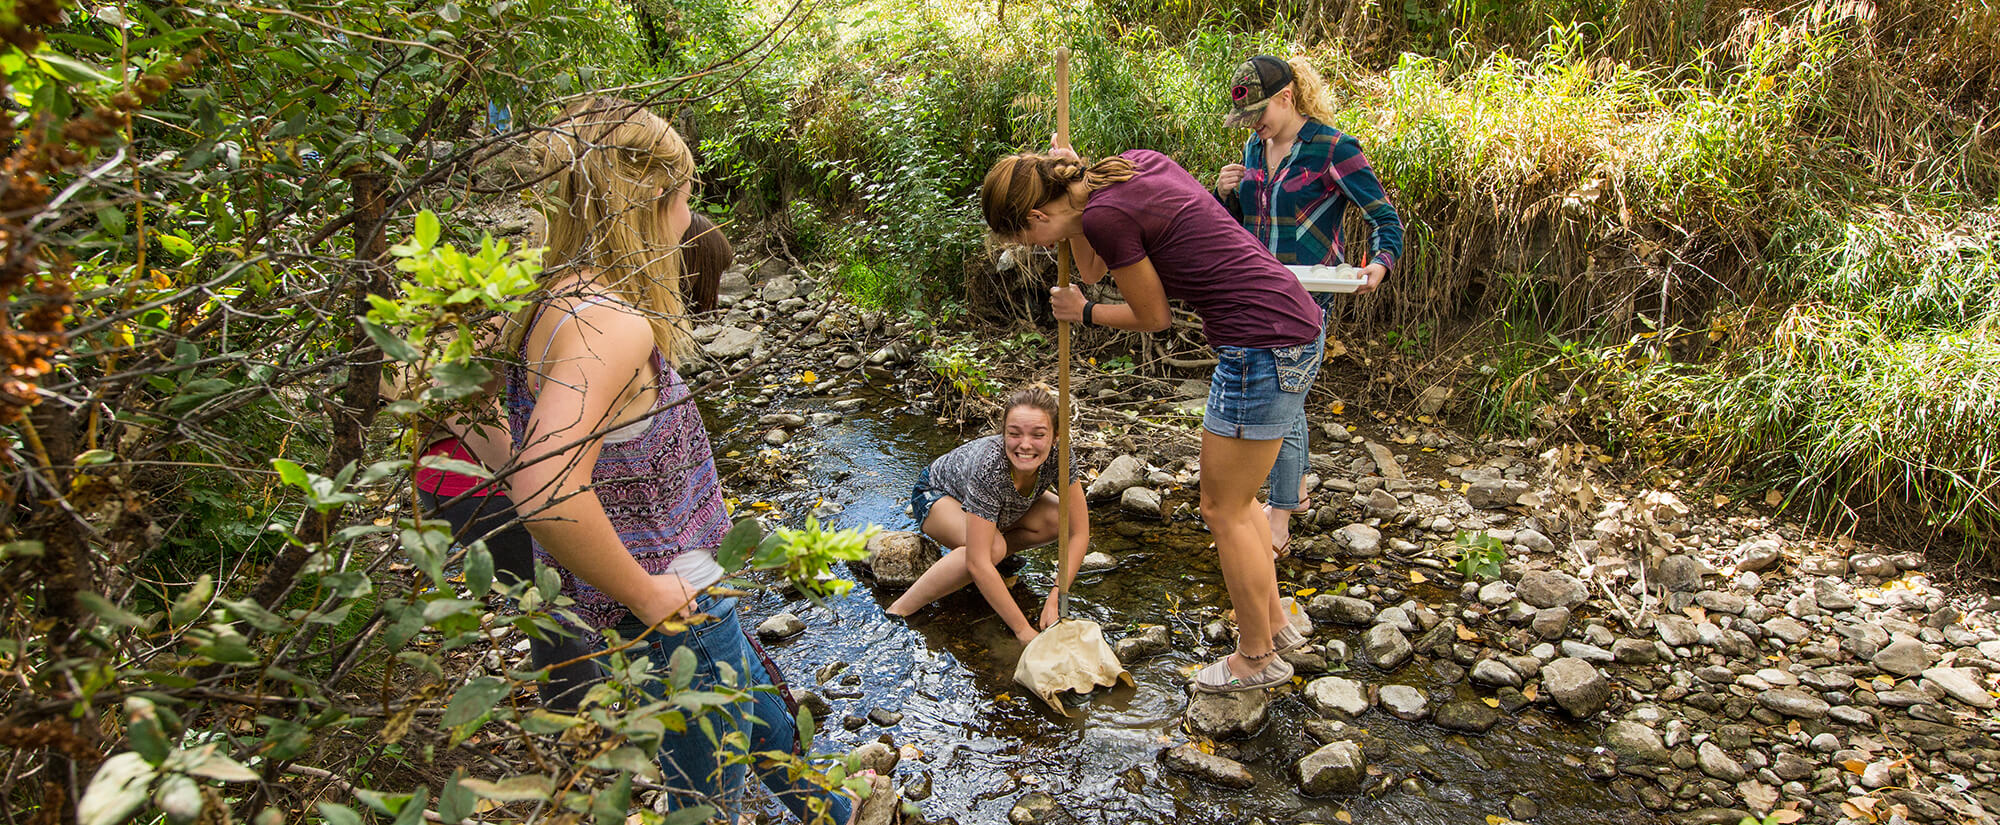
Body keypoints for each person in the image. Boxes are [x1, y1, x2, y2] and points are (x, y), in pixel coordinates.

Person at [500, 97, 864, 822]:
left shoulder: (546, 299)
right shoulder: (612, 323)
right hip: (676, 611)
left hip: (689, 598)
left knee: (772, 734)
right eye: (688, 192)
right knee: (709, 802)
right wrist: (643, 590)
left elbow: (500, 434)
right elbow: (541, 485)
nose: (692, 211)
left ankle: (846, 815)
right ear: (652, 201)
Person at [979, 144, 1322, 693]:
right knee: (1240, 503)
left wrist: (1084, 311)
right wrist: (1070, 209)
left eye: (1028, 239)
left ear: (1038, 216)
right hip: (1286, 328)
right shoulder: (1126, 167)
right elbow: (1091, 258)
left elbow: (1153, 316)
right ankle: (1276, 628)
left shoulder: (1103, 215)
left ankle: (1256, 659)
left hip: (1259, 344)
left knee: (1222, 508)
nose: (1035, 250)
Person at [1213, 55, 1404, 557]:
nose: (1255, 123)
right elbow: (1244, 227)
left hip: (1309, 295)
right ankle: (1290, 492)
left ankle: (1279, 515)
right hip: (1257, 292)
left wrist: (1379, 264)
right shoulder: (1255, 147)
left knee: (1286, 394)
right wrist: (1226, 193)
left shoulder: (1333, 148)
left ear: (1287, 96)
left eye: (1261, 111)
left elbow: (1385, 218)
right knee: (1283, 393)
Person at [885, 385, 1089, 643]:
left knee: (1059, 519)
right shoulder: (990, 466)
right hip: (937, 495)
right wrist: (1023, 630)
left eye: (1038, 435)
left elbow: (1080, 531)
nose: (1025, 445)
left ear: (1055, 436)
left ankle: (997, 563)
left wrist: (1056, 597)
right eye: (1014, 434)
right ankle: (899, 609)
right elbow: (977, 561)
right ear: (1004, 433)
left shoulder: (1061, 455)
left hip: (997, 507)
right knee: (989, 550)